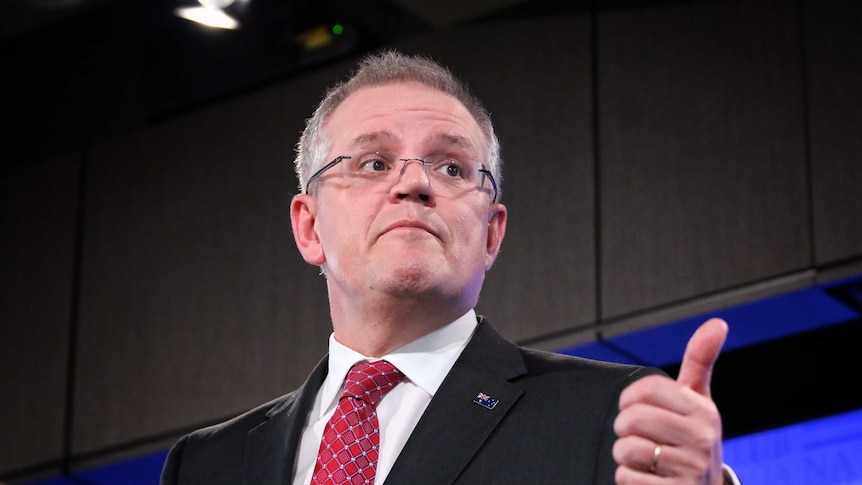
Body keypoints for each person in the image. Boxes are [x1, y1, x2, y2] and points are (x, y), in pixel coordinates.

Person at [160, 50, 741, 485]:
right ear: (310, 227)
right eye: (373, 161)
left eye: (454, 169)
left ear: (491, 234)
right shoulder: (207, 465)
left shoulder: (613, 418)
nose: (414, 183)